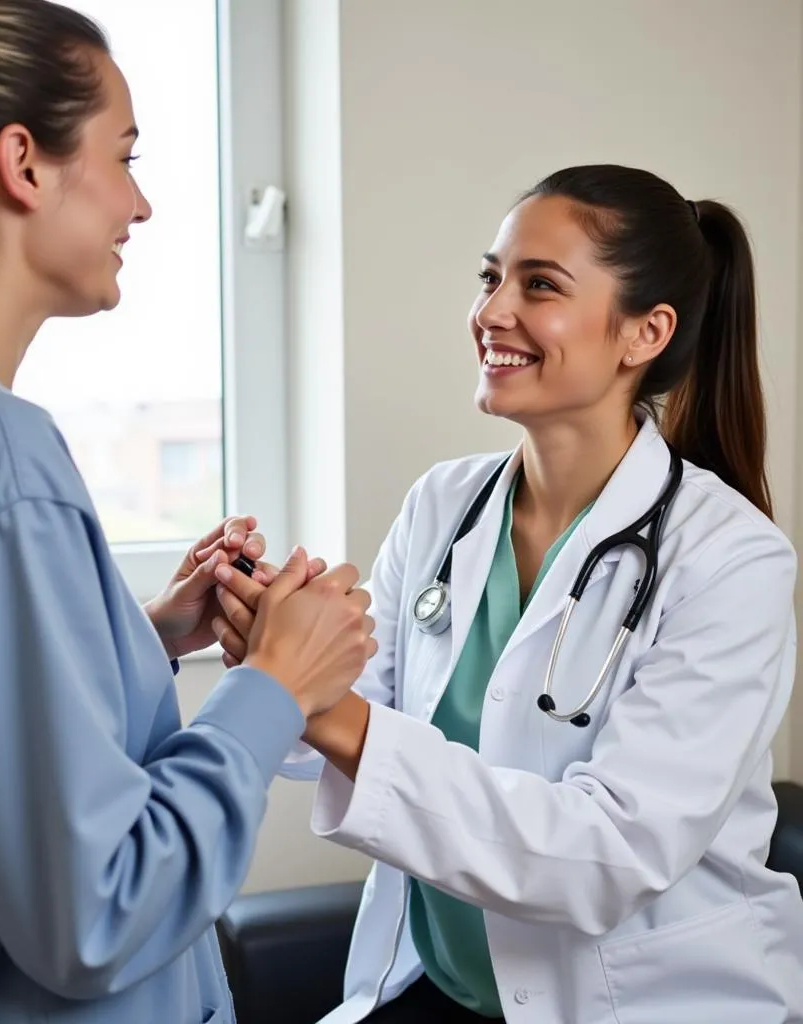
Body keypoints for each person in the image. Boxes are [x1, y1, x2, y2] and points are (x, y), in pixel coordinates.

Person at [0, 1, 377, 1022]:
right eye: (124, 155)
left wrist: (138, 635)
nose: (138, 206)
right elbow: (102, 908)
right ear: (23, 163)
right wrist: (277, 683)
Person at [213, 164, 803, 1023]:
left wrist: (322, 703)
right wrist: (272, 644)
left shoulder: (732, 559)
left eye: (539, 285)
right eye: (491, 278)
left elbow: (609, 855)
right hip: (438, 986)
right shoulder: (443, 506)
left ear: (645, 333)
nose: (491, 311)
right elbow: (349, 718)